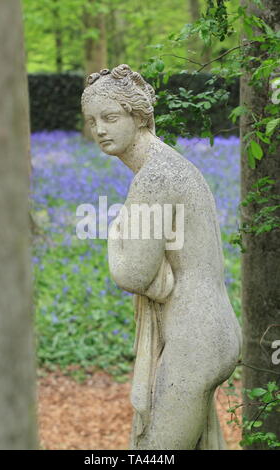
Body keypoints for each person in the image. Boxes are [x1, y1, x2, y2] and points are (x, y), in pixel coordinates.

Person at [81, 64, 242, 450]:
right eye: (92, 120)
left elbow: (134, 273)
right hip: (208, 328)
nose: (99, 129)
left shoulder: (155, 176)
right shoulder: (167, 167)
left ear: (138, 118)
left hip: (195, 337)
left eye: (110, 117)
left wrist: (114, 231)